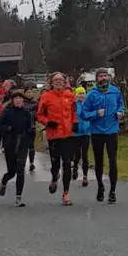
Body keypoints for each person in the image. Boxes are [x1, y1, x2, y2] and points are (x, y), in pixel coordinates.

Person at [79, 69, 125, 203]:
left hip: (112, 130)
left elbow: (121, 105)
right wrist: (95, 114)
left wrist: (120, 112)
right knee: (99, 162)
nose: (103, 78)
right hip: (97, 131)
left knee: (112, 160)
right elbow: (83, 113)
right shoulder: (92, 94)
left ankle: (112, 191)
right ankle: (100, 186)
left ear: (108, 77)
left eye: (105, 76)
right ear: (96, 79)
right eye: (101, 76)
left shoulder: (115, 91)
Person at [36, 72, 79, 205]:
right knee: (56, 163)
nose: (59, 82)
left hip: (67, 134)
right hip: (53, 135)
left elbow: (74, 111)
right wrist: (47, 122)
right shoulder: (46, 96)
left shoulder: (70, 96)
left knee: (67, 164)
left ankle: (66, 193)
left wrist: (75, 122)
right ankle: (55, 177)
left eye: (61, 80)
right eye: (56, 81)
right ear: (51, 83)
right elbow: (39, 115)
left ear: (64, 82)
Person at [0, 89, 36, 207]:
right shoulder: (7, 112)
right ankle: (5, 180)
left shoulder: (26, 113)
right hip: (10, 143)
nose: (18, 100)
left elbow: (31, 128)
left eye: (20, 99)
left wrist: (30, 137)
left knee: (20, 169)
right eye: (16, 98)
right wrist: (8, 129)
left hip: (23, 143)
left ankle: (18, 197)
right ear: (13, 101)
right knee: (12, 171)